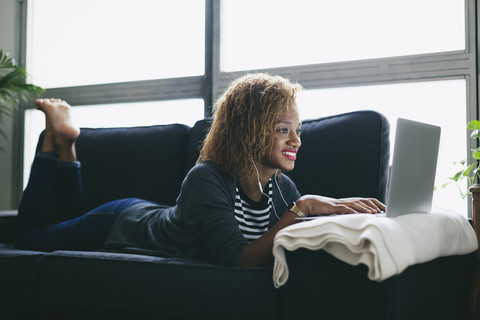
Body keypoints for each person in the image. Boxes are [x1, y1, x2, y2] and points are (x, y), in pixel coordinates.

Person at [14, 73, 385, 268]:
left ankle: (67, 147)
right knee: (29, 238)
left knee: (64, 219)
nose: (296, 142)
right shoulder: (207, 177)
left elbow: (294, 232)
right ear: (249, 129)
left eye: (297, 131)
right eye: (282, 129)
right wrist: (304, 207)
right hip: (120, 223)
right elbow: (237, 260)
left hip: (136, 212)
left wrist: (340, 214)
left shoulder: (281, 187)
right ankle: (54, 140)